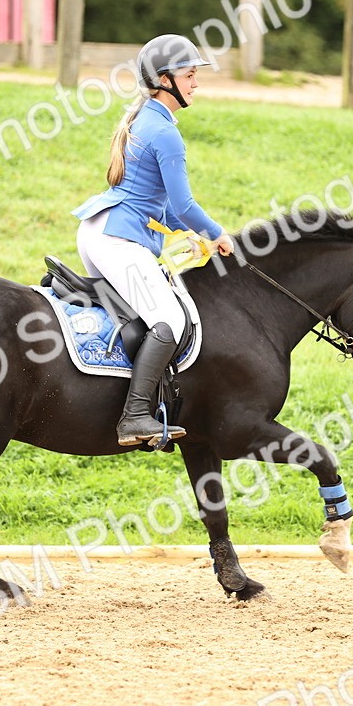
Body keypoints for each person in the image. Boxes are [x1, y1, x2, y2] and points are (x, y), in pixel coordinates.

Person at [72, 34, 235, 447]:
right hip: (117, 239)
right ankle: (135, 416)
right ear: (165, 79)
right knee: (170, 320)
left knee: (140, 313)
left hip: (98, 230)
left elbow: (152, 199)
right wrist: (218, 235)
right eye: (189, 75)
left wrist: (176, 236)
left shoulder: (144, 116)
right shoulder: (165, 133)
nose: (196, 83)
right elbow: (183, 204)